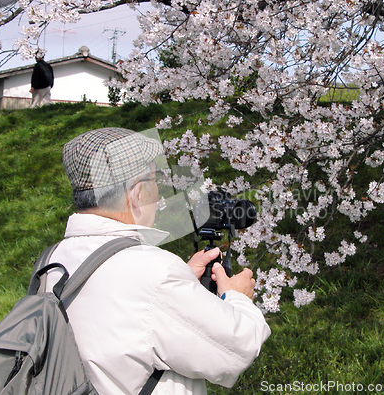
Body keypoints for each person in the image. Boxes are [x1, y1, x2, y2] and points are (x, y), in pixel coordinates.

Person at [45, 127, 271, 395]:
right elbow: (237, 351)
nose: (159, 195)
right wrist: (238, 298)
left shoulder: (52, 259)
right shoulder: (152, 272)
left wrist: (180, 281)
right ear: (137, 194)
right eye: (155, 182)